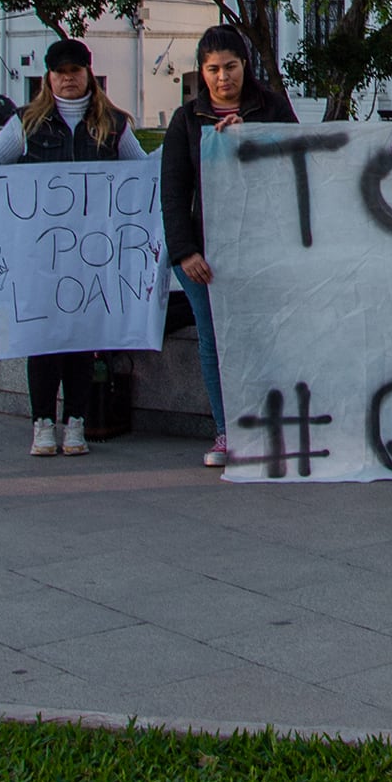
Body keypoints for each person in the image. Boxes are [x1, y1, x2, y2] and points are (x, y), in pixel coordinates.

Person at [0, 37, 146, 458]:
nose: (68, 79)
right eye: (60, 72)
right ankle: (43, 421)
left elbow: (142, 169)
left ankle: (77, 420)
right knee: (41, 337)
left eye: (75, 72)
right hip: (38, 254)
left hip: (88, 254)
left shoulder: (115, 124)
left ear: (89, 75)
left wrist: (185, 156)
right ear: (49, 77)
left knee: (84, 338)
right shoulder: (26, 123)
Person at [159, 24, 299, 470]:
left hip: (263, 248)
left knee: (268, 337)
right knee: (214, 340)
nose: (223, 78)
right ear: (201, 72)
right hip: (206, 258)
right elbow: (174, 193)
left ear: (246, 66)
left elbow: (300, 162)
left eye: (231, 67)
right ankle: (227, 429)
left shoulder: (271, 108)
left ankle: (270, 425)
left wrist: (252, 135)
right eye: (214, 69)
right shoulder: (186, 121)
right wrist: (184, 252)